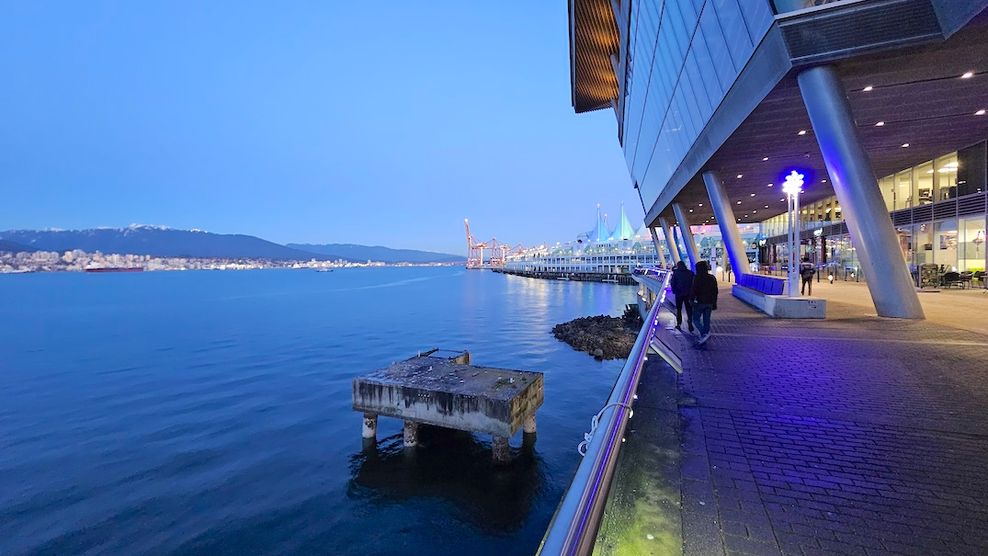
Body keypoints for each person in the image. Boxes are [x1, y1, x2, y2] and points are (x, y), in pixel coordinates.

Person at [690, 260, 718, 345]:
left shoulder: (697, 278)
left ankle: (703, 333)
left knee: (695, 319)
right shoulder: (712, 278)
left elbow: (694, 290)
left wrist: (691, 300)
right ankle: (705, 333)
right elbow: (715, 291)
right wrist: (714, 303)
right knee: (707, 320)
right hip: (709, 302)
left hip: (700, 302)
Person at [669, 260, 694, 333]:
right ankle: (690, 322)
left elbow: (672, 282)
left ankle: (679, 324)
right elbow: (693, 283)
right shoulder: (690, 273)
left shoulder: (676, 273)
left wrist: (674, 290)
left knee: (679, 309)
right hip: (688, 294)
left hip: (679, 294)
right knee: (689, 309)